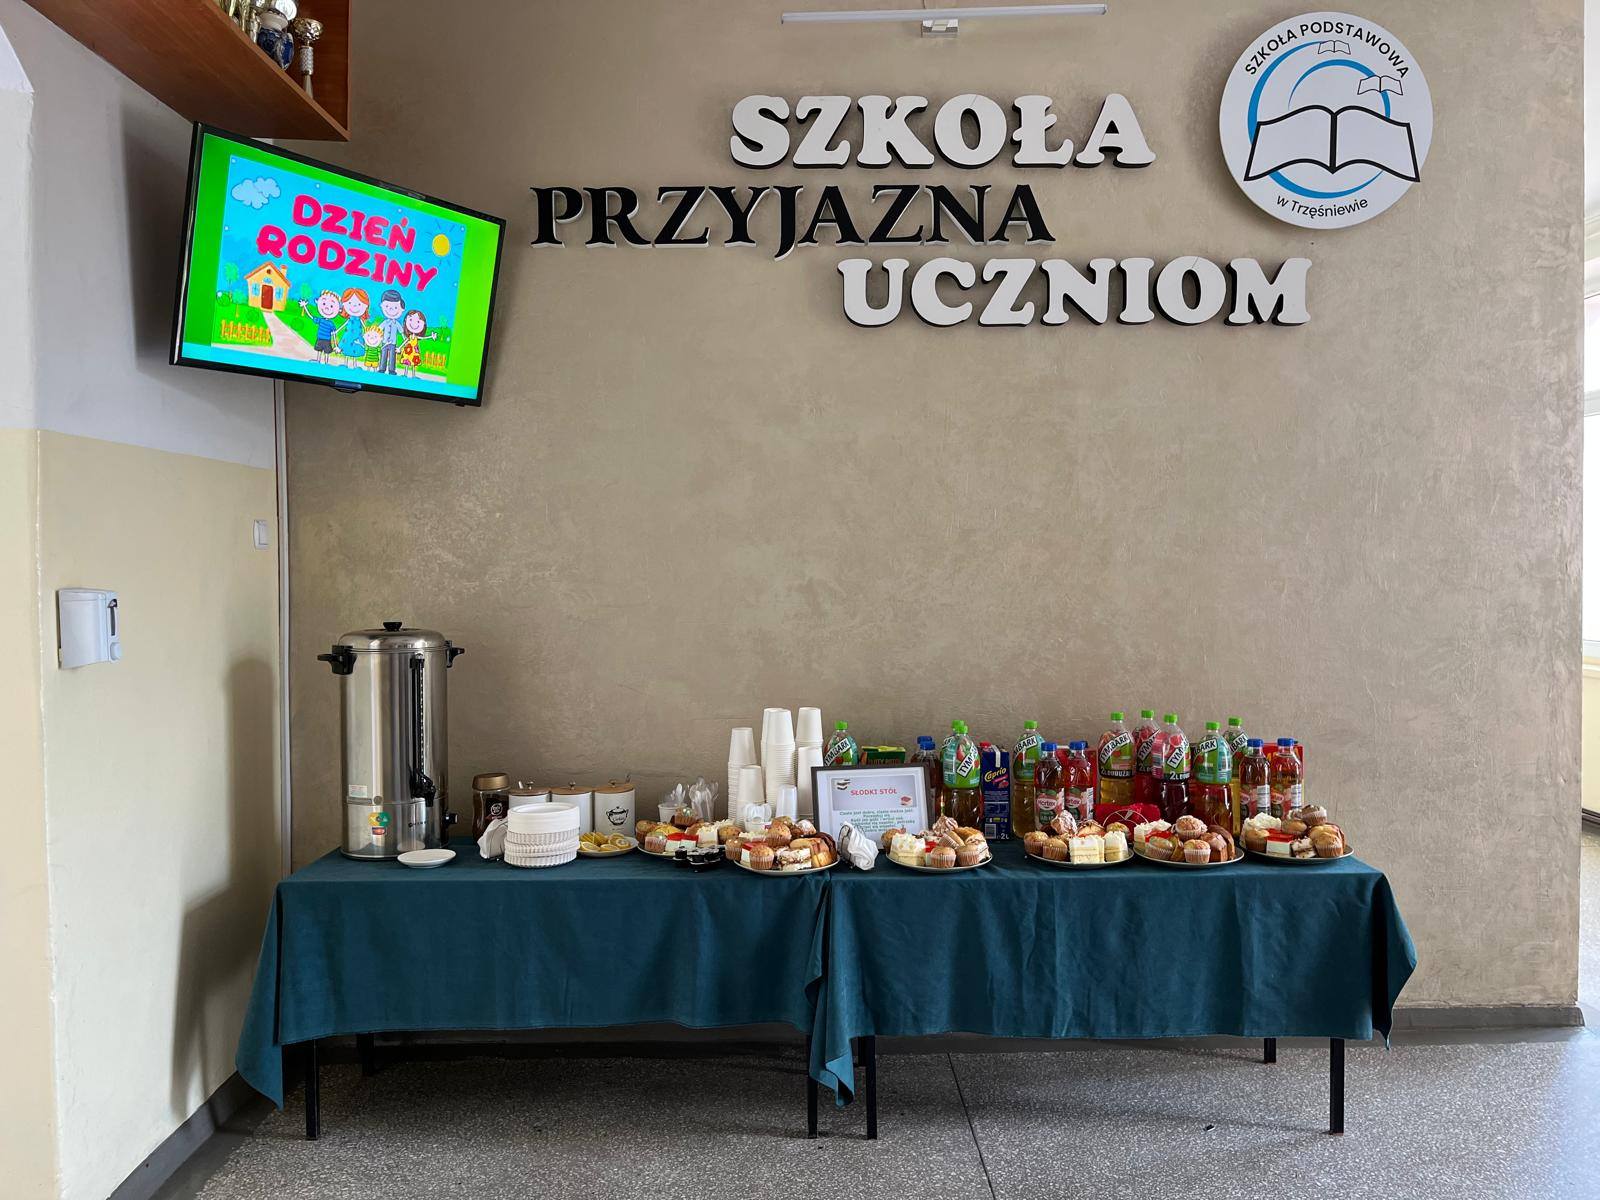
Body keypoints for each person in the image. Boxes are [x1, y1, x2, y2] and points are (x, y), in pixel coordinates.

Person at [300, 290, 340, 364]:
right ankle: (318, 360)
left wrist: (336, 345)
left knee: (327, 351)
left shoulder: (331, 324)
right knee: (319, 350)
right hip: (320, 338)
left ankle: (326, 362)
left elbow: (334, 334)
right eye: (324, 303)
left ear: (338, 310)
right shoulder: (320, 320)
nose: (327, 308)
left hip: (327, 340)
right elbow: (311, 316)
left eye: (331, 306)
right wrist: (305, 307)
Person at [397, 308, 437, 378]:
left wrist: (431, 336)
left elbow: (423, 338)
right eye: (410, 320)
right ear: (406, 320)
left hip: (414, 352)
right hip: (408, 351)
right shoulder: (409, 336)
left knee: (414, 364)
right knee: (407, 363)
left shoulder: (416, 337)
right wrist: (399, 348)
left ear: (423, 324)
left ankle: (413, 375)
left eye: (418, 322)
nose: (414, 324)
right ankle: (405, 374)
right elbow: (405, 342)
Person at [336, 288, 370, 365]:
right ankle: (345, 364)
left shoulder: (359, 320)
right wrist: (337, 331)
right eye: (350, 303)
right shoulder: (350, 319)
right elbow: (343, 325)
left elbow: (364, 327)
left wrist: (368, 333)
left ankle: (355, 365)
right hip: (348, 336)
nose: (354, 306)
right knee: (346, 348)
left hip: (357, 336)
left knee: (356, 349)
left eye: (359, 304)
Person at [377, 289, 405, 374]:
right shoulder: (385, 322)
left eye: (395, 308)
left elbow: (402, 332)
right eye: (387, 307)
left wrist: (404, 341)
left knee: (392, 356)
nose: (391, 310)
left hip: (393, 343)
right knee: (383, 354)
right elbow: (379, 329)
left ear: (401, 309)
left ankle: (392, 369)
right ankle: (382, 368)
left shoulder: (396, 323)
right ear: (382, 306)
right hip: (384, 342)